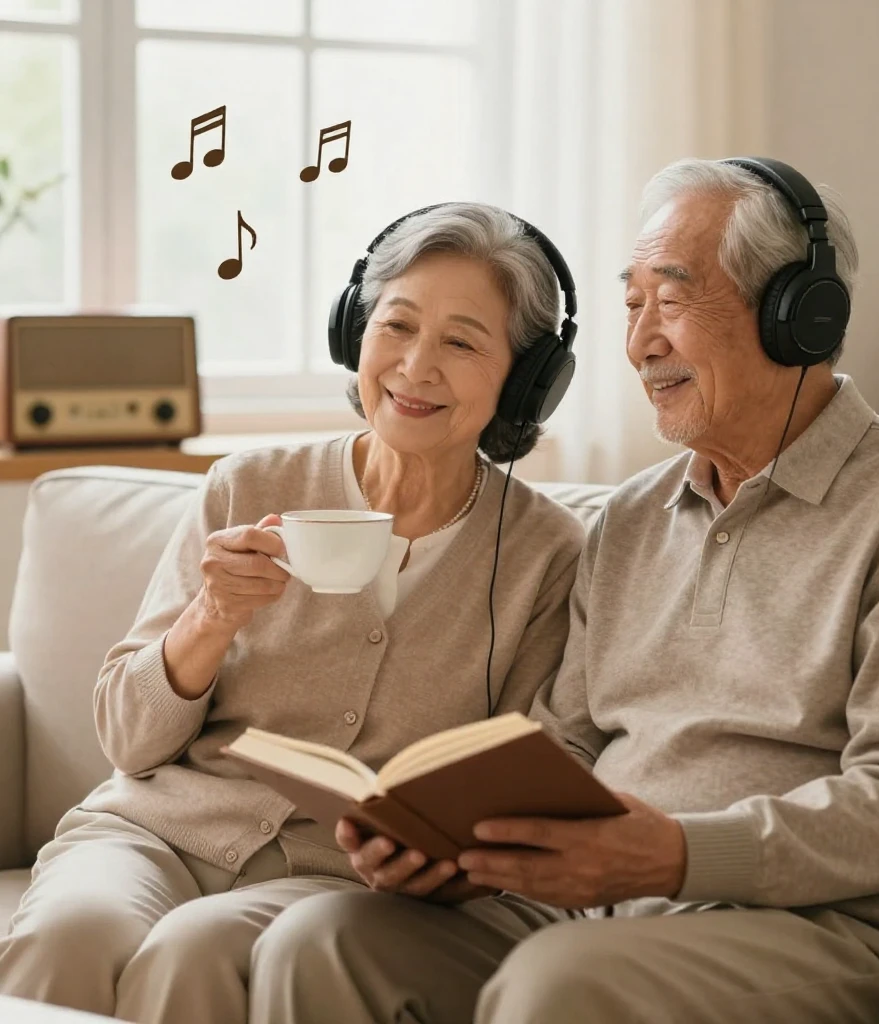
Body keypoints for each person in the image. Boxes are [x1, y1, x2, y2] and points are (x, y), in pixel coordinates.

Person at [262, 157, 879, 1024]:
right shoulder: (631, 517)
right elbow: (570, 744)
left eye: (670, 300)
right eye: (631, 307)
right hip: (596, 913)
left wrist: (675, 856)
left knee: (566, 983)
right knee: (323, 938)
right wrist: (458, 847)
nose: (640, 344)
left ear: (798, 316)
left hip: (827, 933)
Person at [0, 203, 585, 1024]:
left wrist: (448, 857)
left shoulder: (546, 552)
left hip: (336, 878)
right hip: (155, 832)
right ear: (357, 335)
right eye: (397, 326)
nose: (416, 366)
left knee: (193, 954)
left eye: (461, 342)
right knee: (71, 934)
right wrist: (210, 615)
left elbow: (528, 774)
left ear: (525, 379)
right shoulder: (249, 485)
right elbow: (127, 740)